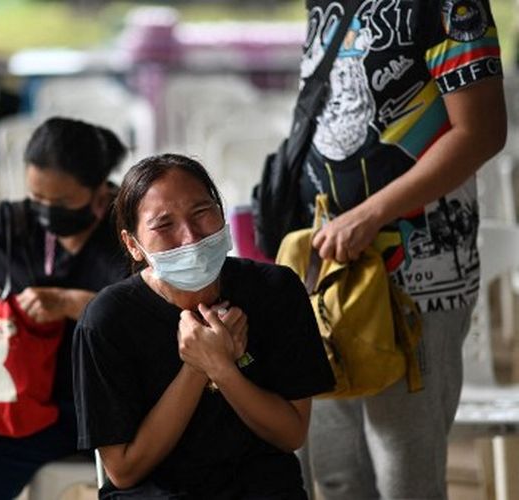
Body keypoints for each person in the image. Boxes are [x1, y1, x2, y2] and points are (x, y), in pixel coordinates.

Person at [294, 1, 507, 498]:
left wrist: (370, 214)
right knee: (336, 470)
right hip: (329, 271)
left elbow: (482, 132)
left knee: (405, 474)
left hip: (419, 276)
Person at [73, 153, 336, 499]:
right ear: (132, 245)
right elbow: (123, 471)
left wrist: (223, 371)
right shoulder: (107, 320)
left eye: (201, 212)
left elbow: (290, 435)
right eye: (163, 225)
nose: (190, 238)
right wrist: (197, 367)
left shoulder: (276, 290)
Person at [0, 116, 131, 499]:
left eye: (62, 202)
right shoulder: (15, 226)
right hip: (20, 404)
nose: (47, 211)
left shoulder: (130, 229)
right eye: (38, 198)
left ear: (100, 191)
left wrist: (72, 304)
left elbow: (154, 313)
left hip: (116, 407)